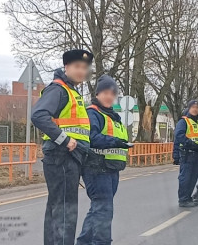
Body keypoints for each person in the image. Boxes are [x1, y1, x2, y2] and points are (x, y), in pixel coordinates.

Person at [31, 49, 93, 245]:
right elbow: (38, 115)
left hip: (66, 157)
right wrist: (64, 139)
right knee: (66, 210)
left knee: (57, 208)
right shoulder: (59, 89)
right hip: (63, 155)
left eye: (84, 68)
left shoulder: (71, 91)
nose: (81, 71)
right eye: (77, 67)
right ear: (66, 67)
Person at [77, 75, 132, 245]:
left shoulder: (113, 117)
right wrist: (116, 142)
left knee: (98, 209)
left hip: (111, 169)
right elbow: (91, 137)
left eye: (112, 93)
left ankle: (84, 242)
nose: (109, 96)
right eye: (105, 92)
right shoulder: (93, 113)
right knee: (104, 210)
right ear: (98, 94)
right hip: (96, 168)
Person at [172, 100, 198, 207]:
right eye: (193, 107)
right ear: (189, 108)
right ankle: (183, 200)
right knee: (186, 178)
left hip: (197, 154)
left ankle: (193, 196)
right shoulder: (184, 122)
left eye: (197, 107)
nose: (195, 109)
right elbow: (179, 136)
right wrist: (190, 144)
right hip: (187, 154)